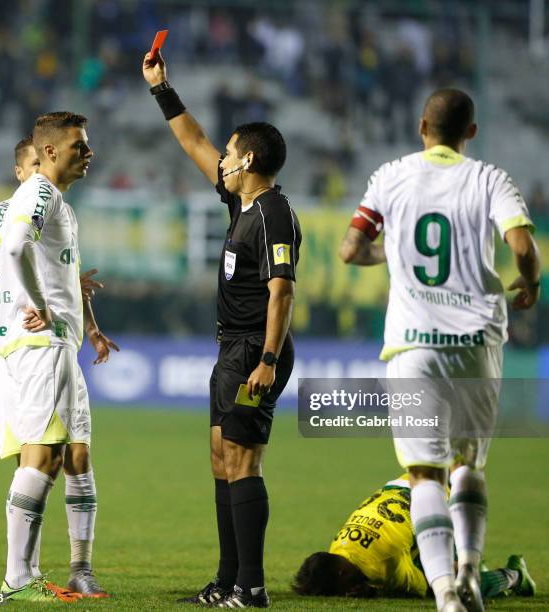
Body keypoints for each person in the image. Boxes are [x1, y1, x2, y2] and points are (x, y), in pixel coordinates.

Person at [339, 88, 540, 612]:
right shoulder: (490, 179)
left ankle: (446, 592)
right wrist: (529, 283)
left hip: (413, 342)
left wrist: (395, 251)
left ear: (422, 123)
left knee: (424, 472)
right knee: (466, 466)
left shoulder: (390, 176)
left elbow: (350, 249)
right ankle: (471, 571)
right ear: (469, 132)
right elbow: (523, 248)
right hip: (477, 340)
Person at [142, 51, 302, 608]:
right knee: (220, 455)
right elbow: (195, 143)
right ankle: (227, 581)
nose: (223, 159)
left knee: (242, 459)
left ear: (249, 158)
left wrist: (267, 358)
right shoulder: (243, 203)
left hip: (255, 351)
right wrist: (163, 89)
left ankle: (251, 588)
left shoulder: (273, 214)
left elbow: (282, 289)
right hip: (230, 347)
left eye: (231, 153)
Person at [0, 135, 111, 600]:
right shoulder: (12, 208)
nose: (39, 170)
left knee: (72, 454)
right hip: (24, 344)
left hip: (59, 343)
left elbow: (57, 277)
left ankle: (75, 569)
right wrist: (42, 302)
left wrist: (87, 321)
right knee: (39, 458)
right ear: (24, 168)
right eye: (33, 163)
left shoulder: (61, 208)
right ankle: (19, 577)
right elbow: (1, 286)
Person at [293, 473, 536, 600]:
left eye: (338, 591)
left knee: (449, 586)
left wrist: (378, 590)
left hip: (444, 502)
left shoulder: (385, 566)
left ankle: (515, 575)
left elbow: (419, 586)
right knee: (419, 550)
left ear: (341, 574)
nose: (343, 595)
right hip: (406, 482)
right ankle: (468, 560)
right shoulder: (337, 548)